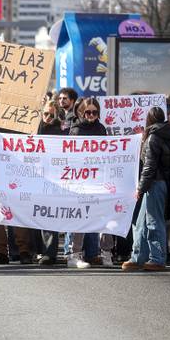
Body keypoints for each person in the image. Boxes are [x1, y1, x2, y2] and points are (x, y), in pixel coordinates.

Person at [123, 107, 170, 271]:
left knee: (153, 221)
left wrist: (141, 188)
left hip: (154, 184)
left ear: (149, 120)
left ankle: (157, 258)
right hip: (160, 183)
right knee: (141, 222)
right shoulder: (167, 134)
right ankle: (138, 257)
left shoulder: (153, 138)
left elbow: (149, 167)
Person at [67, 97, 110, 269]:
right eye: (88, 112)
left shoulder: (101, 128)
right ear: (81, 112)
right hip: (81, 179)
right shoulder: (76, 130)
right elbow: (71, 156)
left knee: (104, 214)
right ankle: (74, 255)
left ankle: (106, 252)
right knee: (80, 217)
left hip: (98, 178)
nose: (91, 115)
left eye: (95, 112)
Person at [37, 100, 66, 266]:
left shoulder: (60, 132)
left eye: (51, 115)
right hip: (34, 177)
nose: (48, 117)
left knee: (49, 215)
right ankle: (39, 250)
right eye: (45, 114)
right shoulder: (35, 127)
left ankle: (50, 253)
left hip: (54, 178)